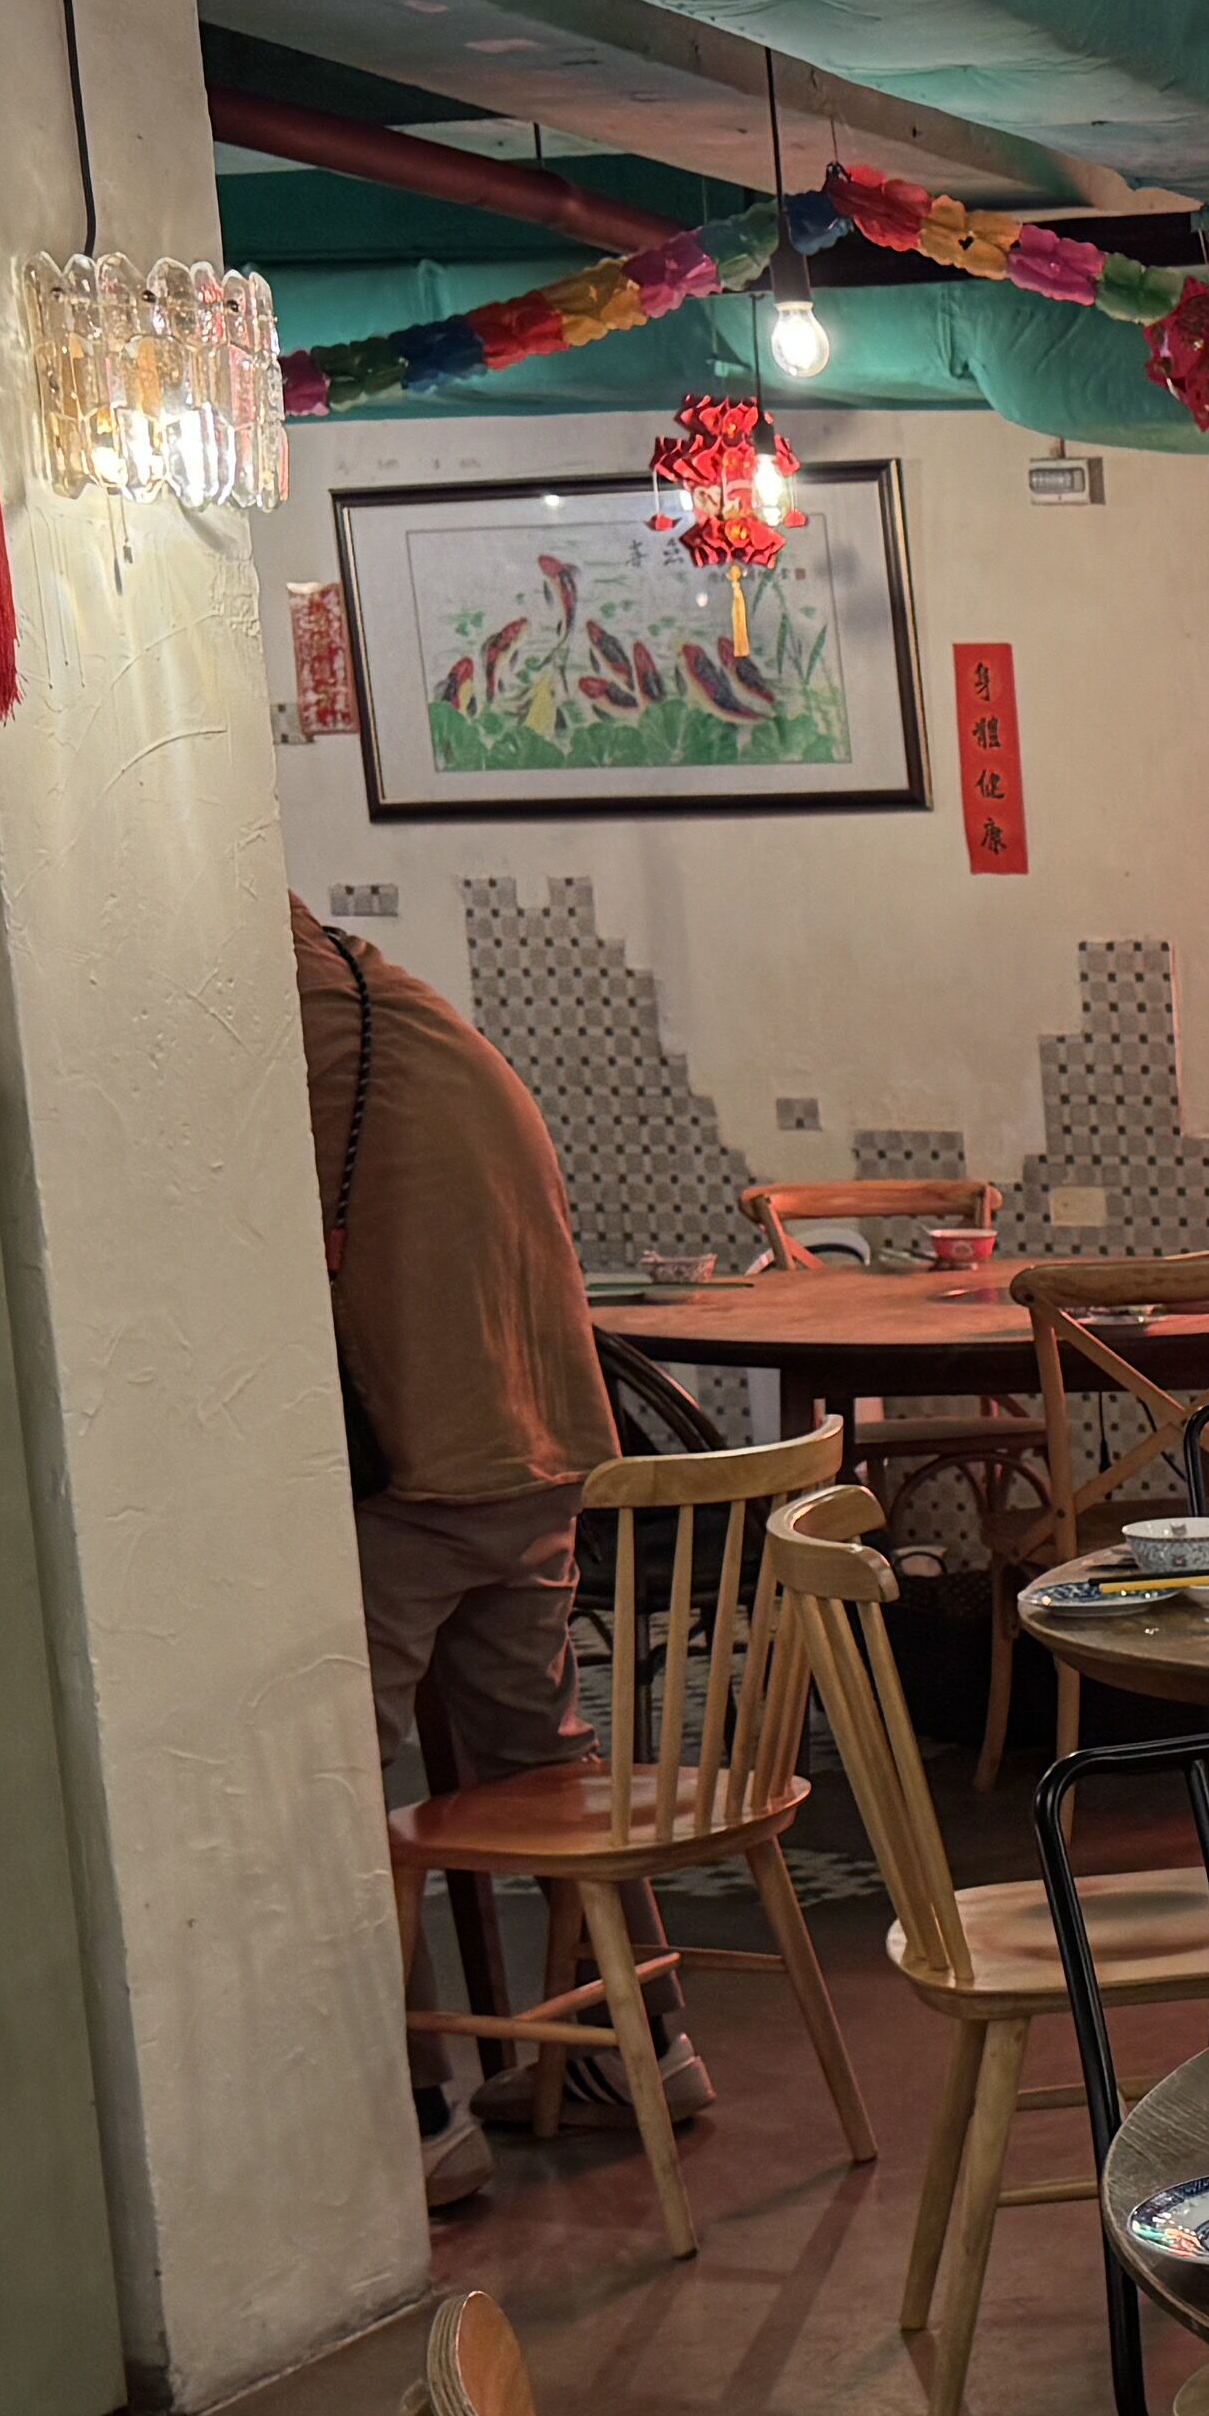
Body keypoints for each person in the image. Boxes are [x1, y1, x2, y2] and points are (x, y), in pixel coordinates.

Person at [294, 895, 703, 2204]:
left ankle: (415, 2122)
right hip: (534, 1439)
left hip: (411, 1459)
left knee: (332, 1789)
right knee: (539, 1752)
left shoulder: (253, 1015)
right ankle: (637, 2051)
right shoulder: (384, 998)